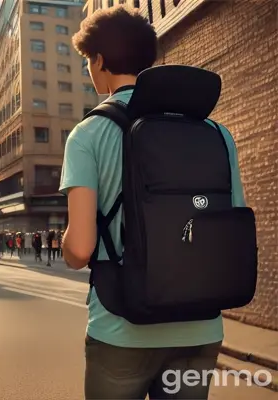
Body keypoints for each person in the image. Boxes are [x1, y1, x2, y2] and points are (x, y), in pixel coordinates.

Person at [61, 7, 247, 399]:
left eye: (88, 62)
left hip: (121, 326)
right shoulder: (216, 132)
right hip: (201, 326)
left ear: (99, 60)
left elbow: (79, 251)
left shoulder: (88, 134)